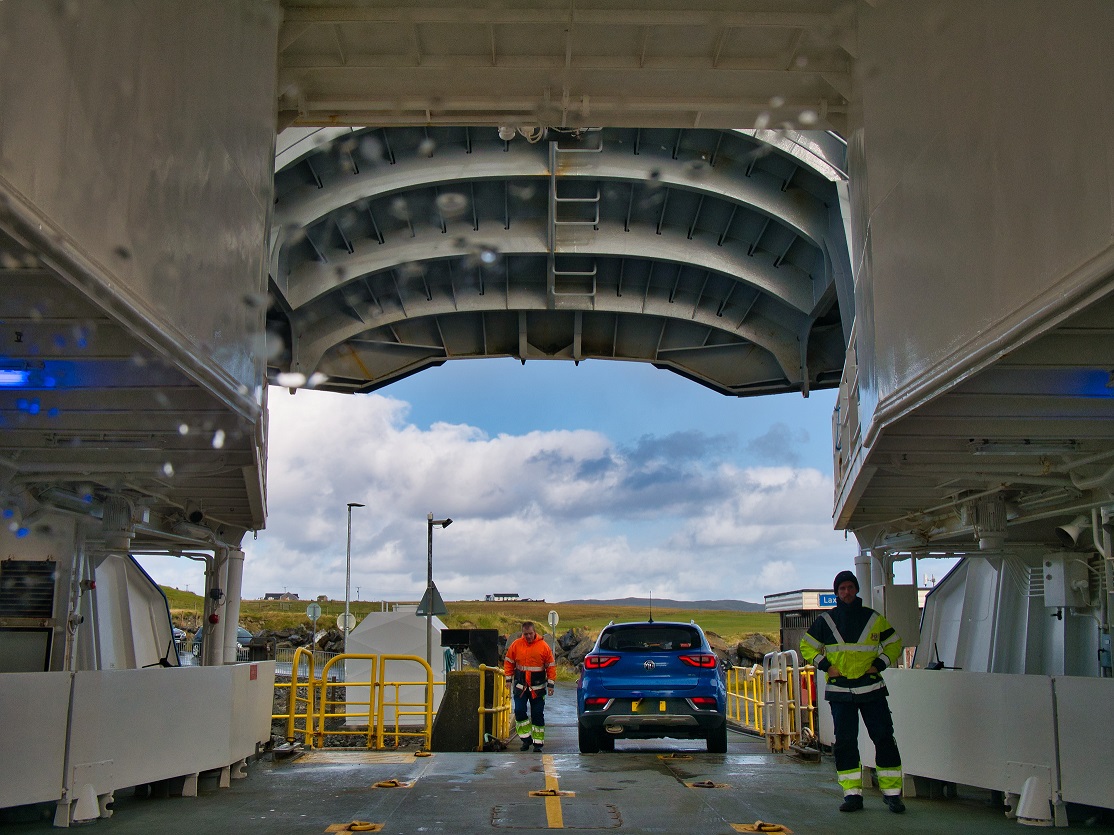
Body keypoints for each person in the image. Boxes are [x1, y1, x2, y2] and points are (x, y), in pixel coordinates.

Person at [800, 570, 905, 814]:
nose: (846, 592)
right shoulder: (825, 621)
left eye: (849, 587)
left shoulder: (873, 619)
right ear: (837, 593)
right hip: (840, 691)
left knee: (884, 739)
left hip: (872, 689)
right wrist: (826, 666)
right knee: (846, 743)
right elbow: (806, 646)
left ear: (856, 589)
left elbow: (894, 643)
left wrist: (878, 665)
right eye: (842, 589)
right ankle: (852, 795)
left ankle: (892, 795)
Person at [503, 620, 556, 752]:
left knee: (537, 715)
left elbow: (550, 666)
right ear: (522, 633)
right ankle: (526, 740)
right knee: (520, 712)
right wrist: (508, 680)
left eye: (530, 634)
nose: (528, 636)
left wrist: (551, 684)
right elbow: (509, 662)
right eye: (525, 634)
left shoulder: (543, 647)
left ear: (534, 632)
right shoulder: (516, 645)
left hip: (538, 689)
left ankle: (538, 744)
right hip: (521, 687)